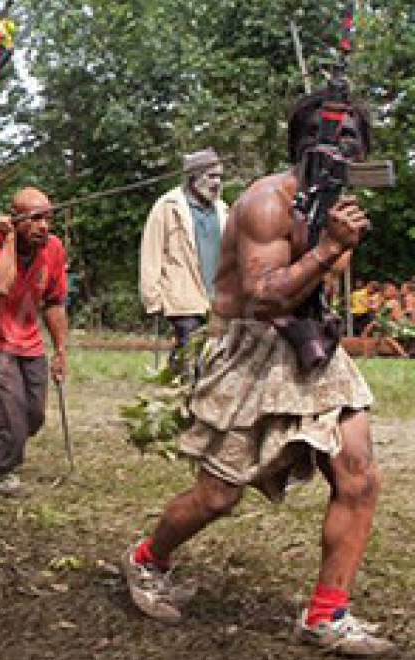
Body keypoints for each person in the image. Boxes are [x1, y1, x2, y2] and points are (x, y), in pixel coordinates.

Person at [120, 90, 395, 655]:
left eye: (350, 140)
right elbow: (265, 297)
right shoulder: (265, 204)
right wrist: (329, 250)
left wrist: (333, 256)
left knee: (359, 476)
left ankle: (326, 614)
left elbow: (316, 285)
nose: (338, 148)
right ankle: (147, 559)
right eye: (324, 136)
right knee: (218, 495)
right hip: (255, 351)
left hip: (314, 348)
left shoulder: (336, 202)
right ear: (299, 145)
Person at [0, 188, 68, 496]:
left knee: (33, 415)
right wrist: (6, 239)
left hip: (30, 340)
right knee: (10, 416)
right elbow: (2, 285)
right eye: (34, 219)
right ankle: (3, 471)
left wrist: (60, 351)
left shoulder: (53, 249)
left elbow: (54, 301)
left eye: (48, 218)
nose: (43, 226)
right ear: (15, 219)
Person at [139, 148, 228, 369]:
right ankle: (185, 393)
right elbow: (151, 252)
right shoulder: (167, 207)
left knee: (214, 358)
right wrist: (152, 297)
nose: (217, 183)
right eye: (211, 177)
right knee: (191, 354)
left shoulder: (223, 209)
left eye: (220, 177)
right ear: (194, 178)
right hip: (183, 298)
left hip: (216, 298)